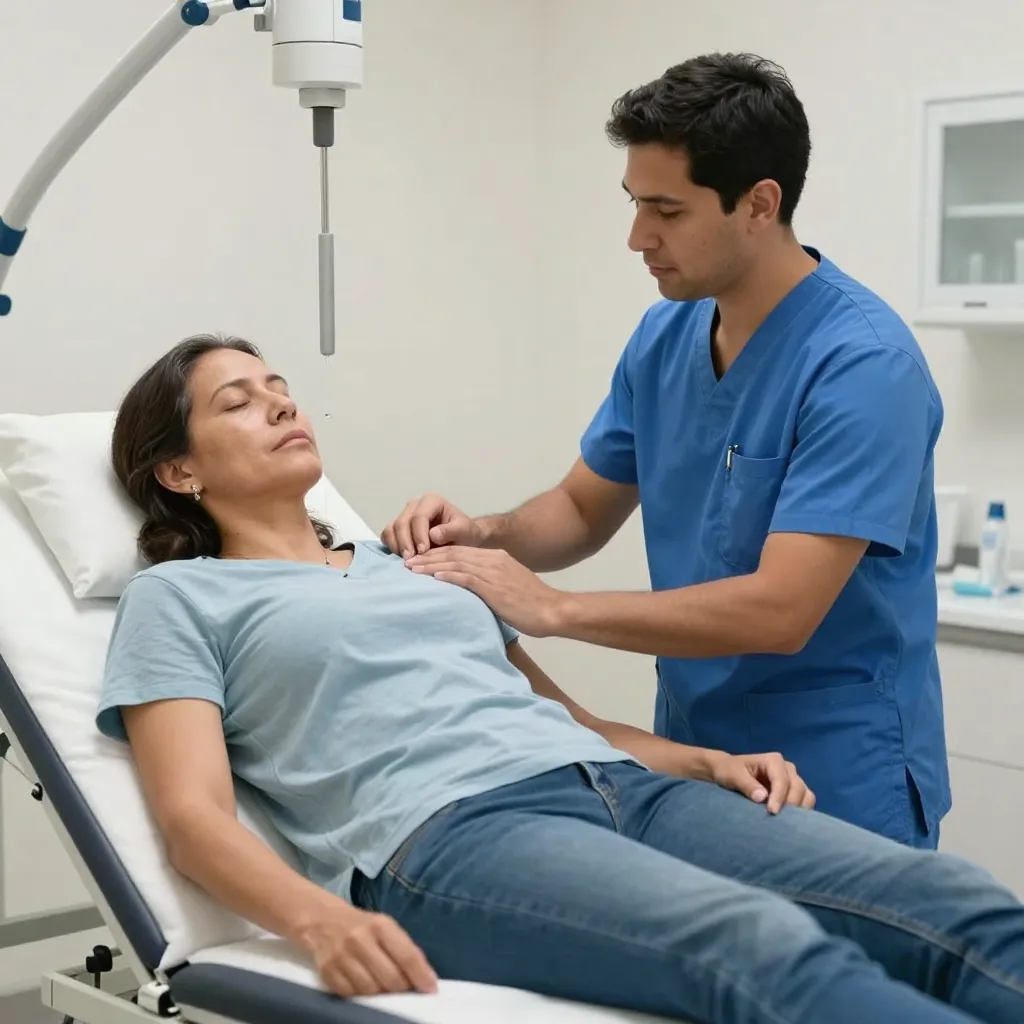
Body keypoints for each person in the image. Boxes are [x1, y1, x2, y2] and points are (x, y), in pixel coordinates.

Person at [94, 333, 1024, 1024]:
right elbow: (194, 819)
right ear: (178, 469)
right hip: (453, 835)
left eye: (282, 389)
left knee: (952, 904)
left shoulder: (413, 566)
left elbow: (567, 719)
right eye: (239, 403)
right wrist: (314, 922)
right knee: (762, 946)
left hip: (623, 790)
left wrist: (699, 760)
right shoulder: (181, 598)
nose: (282, 406)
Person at [383, 52, 949, 849]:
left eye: (667, 211)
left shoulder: (863, 366)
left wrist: (551, 611)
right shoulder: (667, 333)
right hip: (691, 750)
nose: (636, 237)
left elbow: (783, 610)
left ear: (759, 204)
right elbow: (580, 509)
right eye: (634, 203)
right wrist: (485, 534)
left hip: (832, 771)